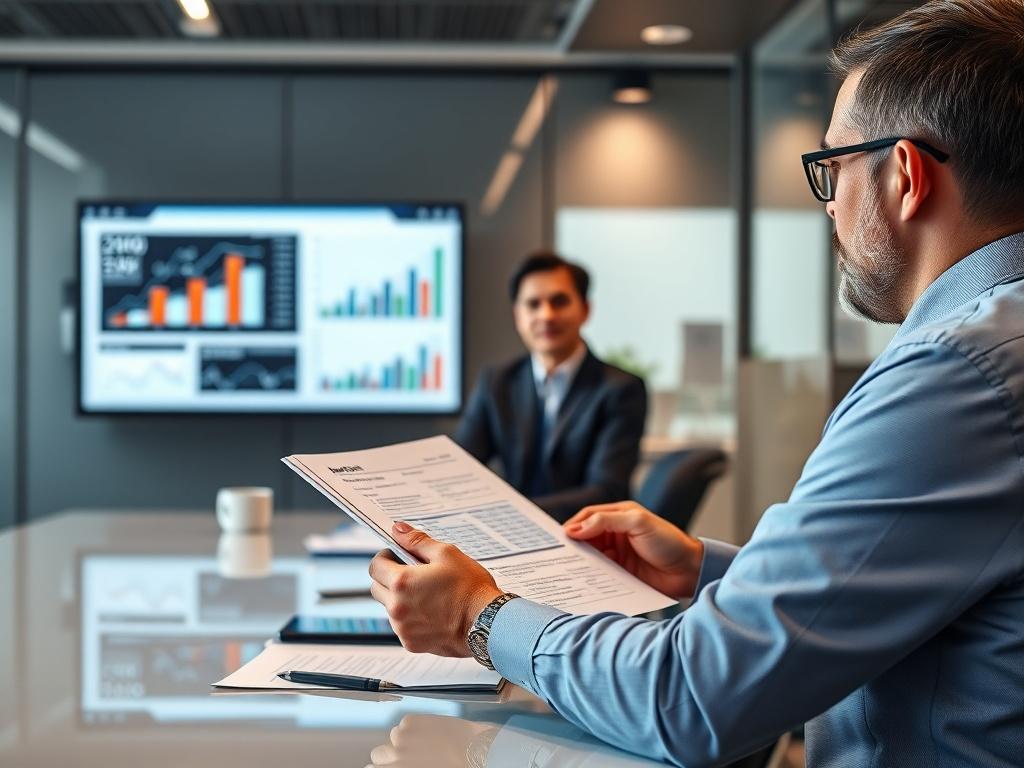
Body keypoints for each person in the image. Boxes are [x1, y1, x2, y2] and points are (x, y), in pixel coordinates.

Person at [370, 1, 1024, 766]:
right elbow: (941, 576)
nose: (830, 209)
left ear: (906, 177)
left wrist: (480, 618)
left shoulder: (957, 377)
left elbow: (692, 697)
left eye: (833, 171)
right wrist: (713, 569)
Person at [455, 252, 647, 522]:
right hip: (511, 537)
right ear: (517, 316)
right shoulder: (496, 382)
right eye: (533, 305)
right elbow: (458, 469)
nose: (546, 315)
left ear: (585, 310)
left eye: (559, 302)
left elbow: (607, 491)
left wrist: (510, 513)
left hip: (588, 539)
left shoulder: (621, 389)